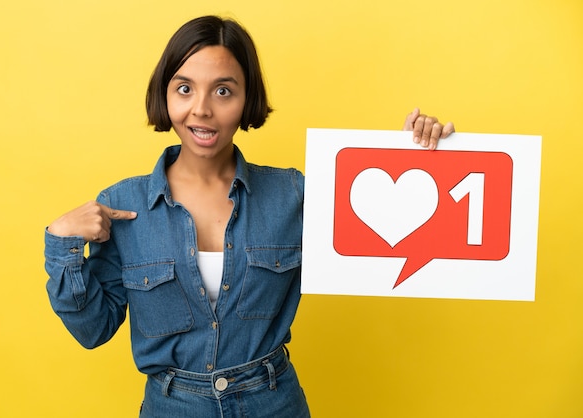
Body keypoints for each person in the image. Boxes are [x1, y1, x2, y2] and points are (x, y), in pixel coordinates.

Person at [44, 15, 455, 418]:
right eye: (184, 88)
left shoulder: (293, 195)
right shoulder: (123, 205)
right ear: (164, 94)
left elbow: (389, 243)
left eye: (223, 91)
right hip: (172, 407)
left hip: (273, 402)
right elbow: (92, 331)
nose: (201, 110)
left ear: (247, 100)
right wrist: (62, 247)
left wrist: (415, 160)